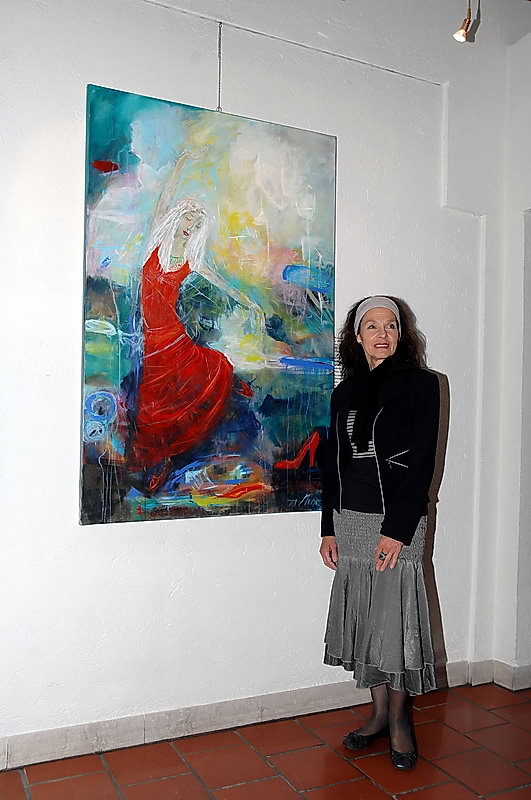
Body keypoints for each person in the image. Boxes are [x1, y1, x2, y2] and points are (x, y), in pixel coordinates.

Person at [319, 296, 440, 771]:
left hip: (396, 518)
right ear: (357, 336)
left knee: (395, 621)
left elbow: (421, 461)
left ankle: (400, 721)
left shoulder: (421, 384)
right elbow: (333, 463)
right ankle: (377, 714)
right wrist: (328, 527)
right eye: (372, 326)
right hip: (351, 516)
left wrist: (397, 530)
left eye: (391, 325)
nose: (382, 334)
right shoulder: (345, 393)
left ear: (401, 334)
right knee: (368, 618)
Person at [130, 199, 259, 485]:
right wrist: (176, 170)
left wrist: (249, 302)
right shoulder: (155, 245)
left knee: (205, 369)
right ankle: (157, 458)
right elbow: (162, 200)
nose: (191, 226)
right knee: (153, 401)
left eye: (197, 224)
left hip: (173, 335)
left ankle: (162, 459)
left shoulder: (191, 261)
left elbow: (218, 281)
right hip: (153, 339)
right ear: (177, 217)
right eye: (188, 218)